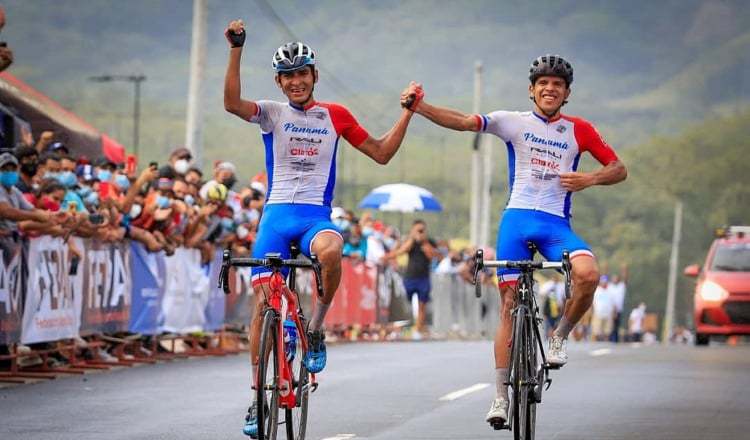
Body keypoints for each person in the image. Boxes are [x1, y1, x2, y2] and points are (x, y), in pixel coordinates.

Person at [402, 54, 627, 427]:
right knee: (508, 303)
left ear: (567, 93)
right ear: (532, 89)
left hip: (556, 225)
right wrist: (421, 107)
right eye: (544, 83)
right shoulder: (513, 122)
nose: (550, 88)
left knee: (588, 275)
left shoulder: (580, 130)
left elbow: (619, 168)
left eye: (557, 84)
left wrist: (589, 179)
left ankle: (558, 337)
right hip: (516, 223)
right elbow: (462, 122)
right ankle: (501, 397)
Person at [223, 19, 417, 437]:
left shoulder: (336, 116)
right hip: (276, 215)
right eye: (288, 76)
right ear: (279, 81)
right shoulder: (271, 113)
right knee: (262, 307)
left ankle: (315, 327)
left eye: (302, 73)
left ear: (314, 76)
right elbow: (231, 103)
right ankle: (257, 396)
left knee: (331, 250)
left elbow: (381, 153)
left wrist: (407, 113)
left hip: (314, 215)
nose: (296, 81)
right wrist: (237, 48)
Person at [384, 220, 438, 339]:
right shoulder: (410, 242)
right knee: (404, 303)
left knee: (422, 304)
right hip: (410, 276)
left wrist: (424, 243)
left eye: (422, 230)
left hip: (423, 277)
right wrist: (411, 240)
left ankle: (418, 329)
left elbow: (433, 256)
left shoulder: (429, 242)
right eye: (418, 230)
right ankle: (401, 329)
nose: (420, 232)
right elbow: (401, 251)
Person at [608, 265, 628, 343]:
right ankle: (610, 338)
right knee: (610, 325)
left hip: (619, 309)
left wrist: (624, 271)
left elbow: (625, 279)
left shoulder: (621, 286)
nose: (615, 279)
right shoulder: (610, 286)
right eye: (613, 278)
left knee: (617, 325)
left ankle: (615, 339)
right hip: (610, 309)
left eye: (616, 278)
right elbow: (605, 276)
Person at [591, 275, 614, 341]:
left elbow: (612, 303)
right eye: (603, 282)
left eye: (605, 282)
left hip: (608, 313)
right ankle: (594, 344)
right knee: (596, 331)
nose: (604, 283)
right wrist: (591, 311)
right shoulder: (597, 290)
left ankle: (606, 344)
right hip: (598, 313)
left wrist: (613, 312)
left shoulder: (610, 290)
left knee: (607, 332)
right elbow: (592, 302)